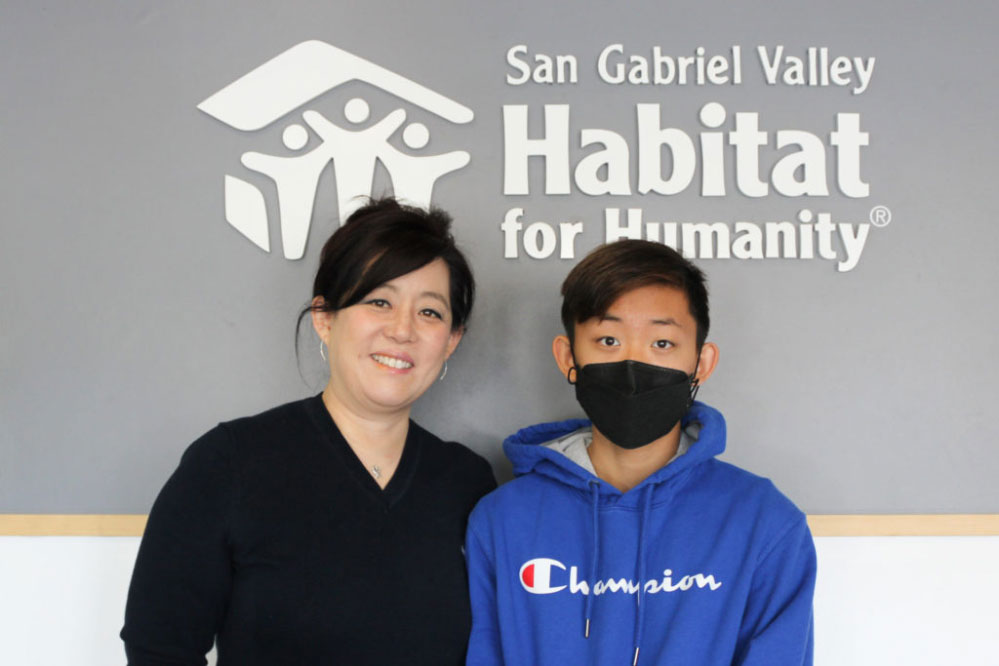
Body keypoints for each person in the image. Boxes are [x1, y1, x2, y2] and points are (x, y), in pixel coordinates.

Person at [121, 198, 496, 665]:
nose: (403, 331)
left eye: (430, 313)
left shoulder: (468, 482)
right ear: (325, 317)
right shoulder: (230, 463)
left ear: (451, 341)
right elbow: (159, 646)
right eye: (379, 301)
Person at [465, 240, 816, 665]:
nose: (632, 365)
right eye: (608, 339)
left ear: (701, 363)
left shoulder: (765, 522)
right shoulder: (502, 521)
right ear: (567, 356)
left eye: (662, 344)